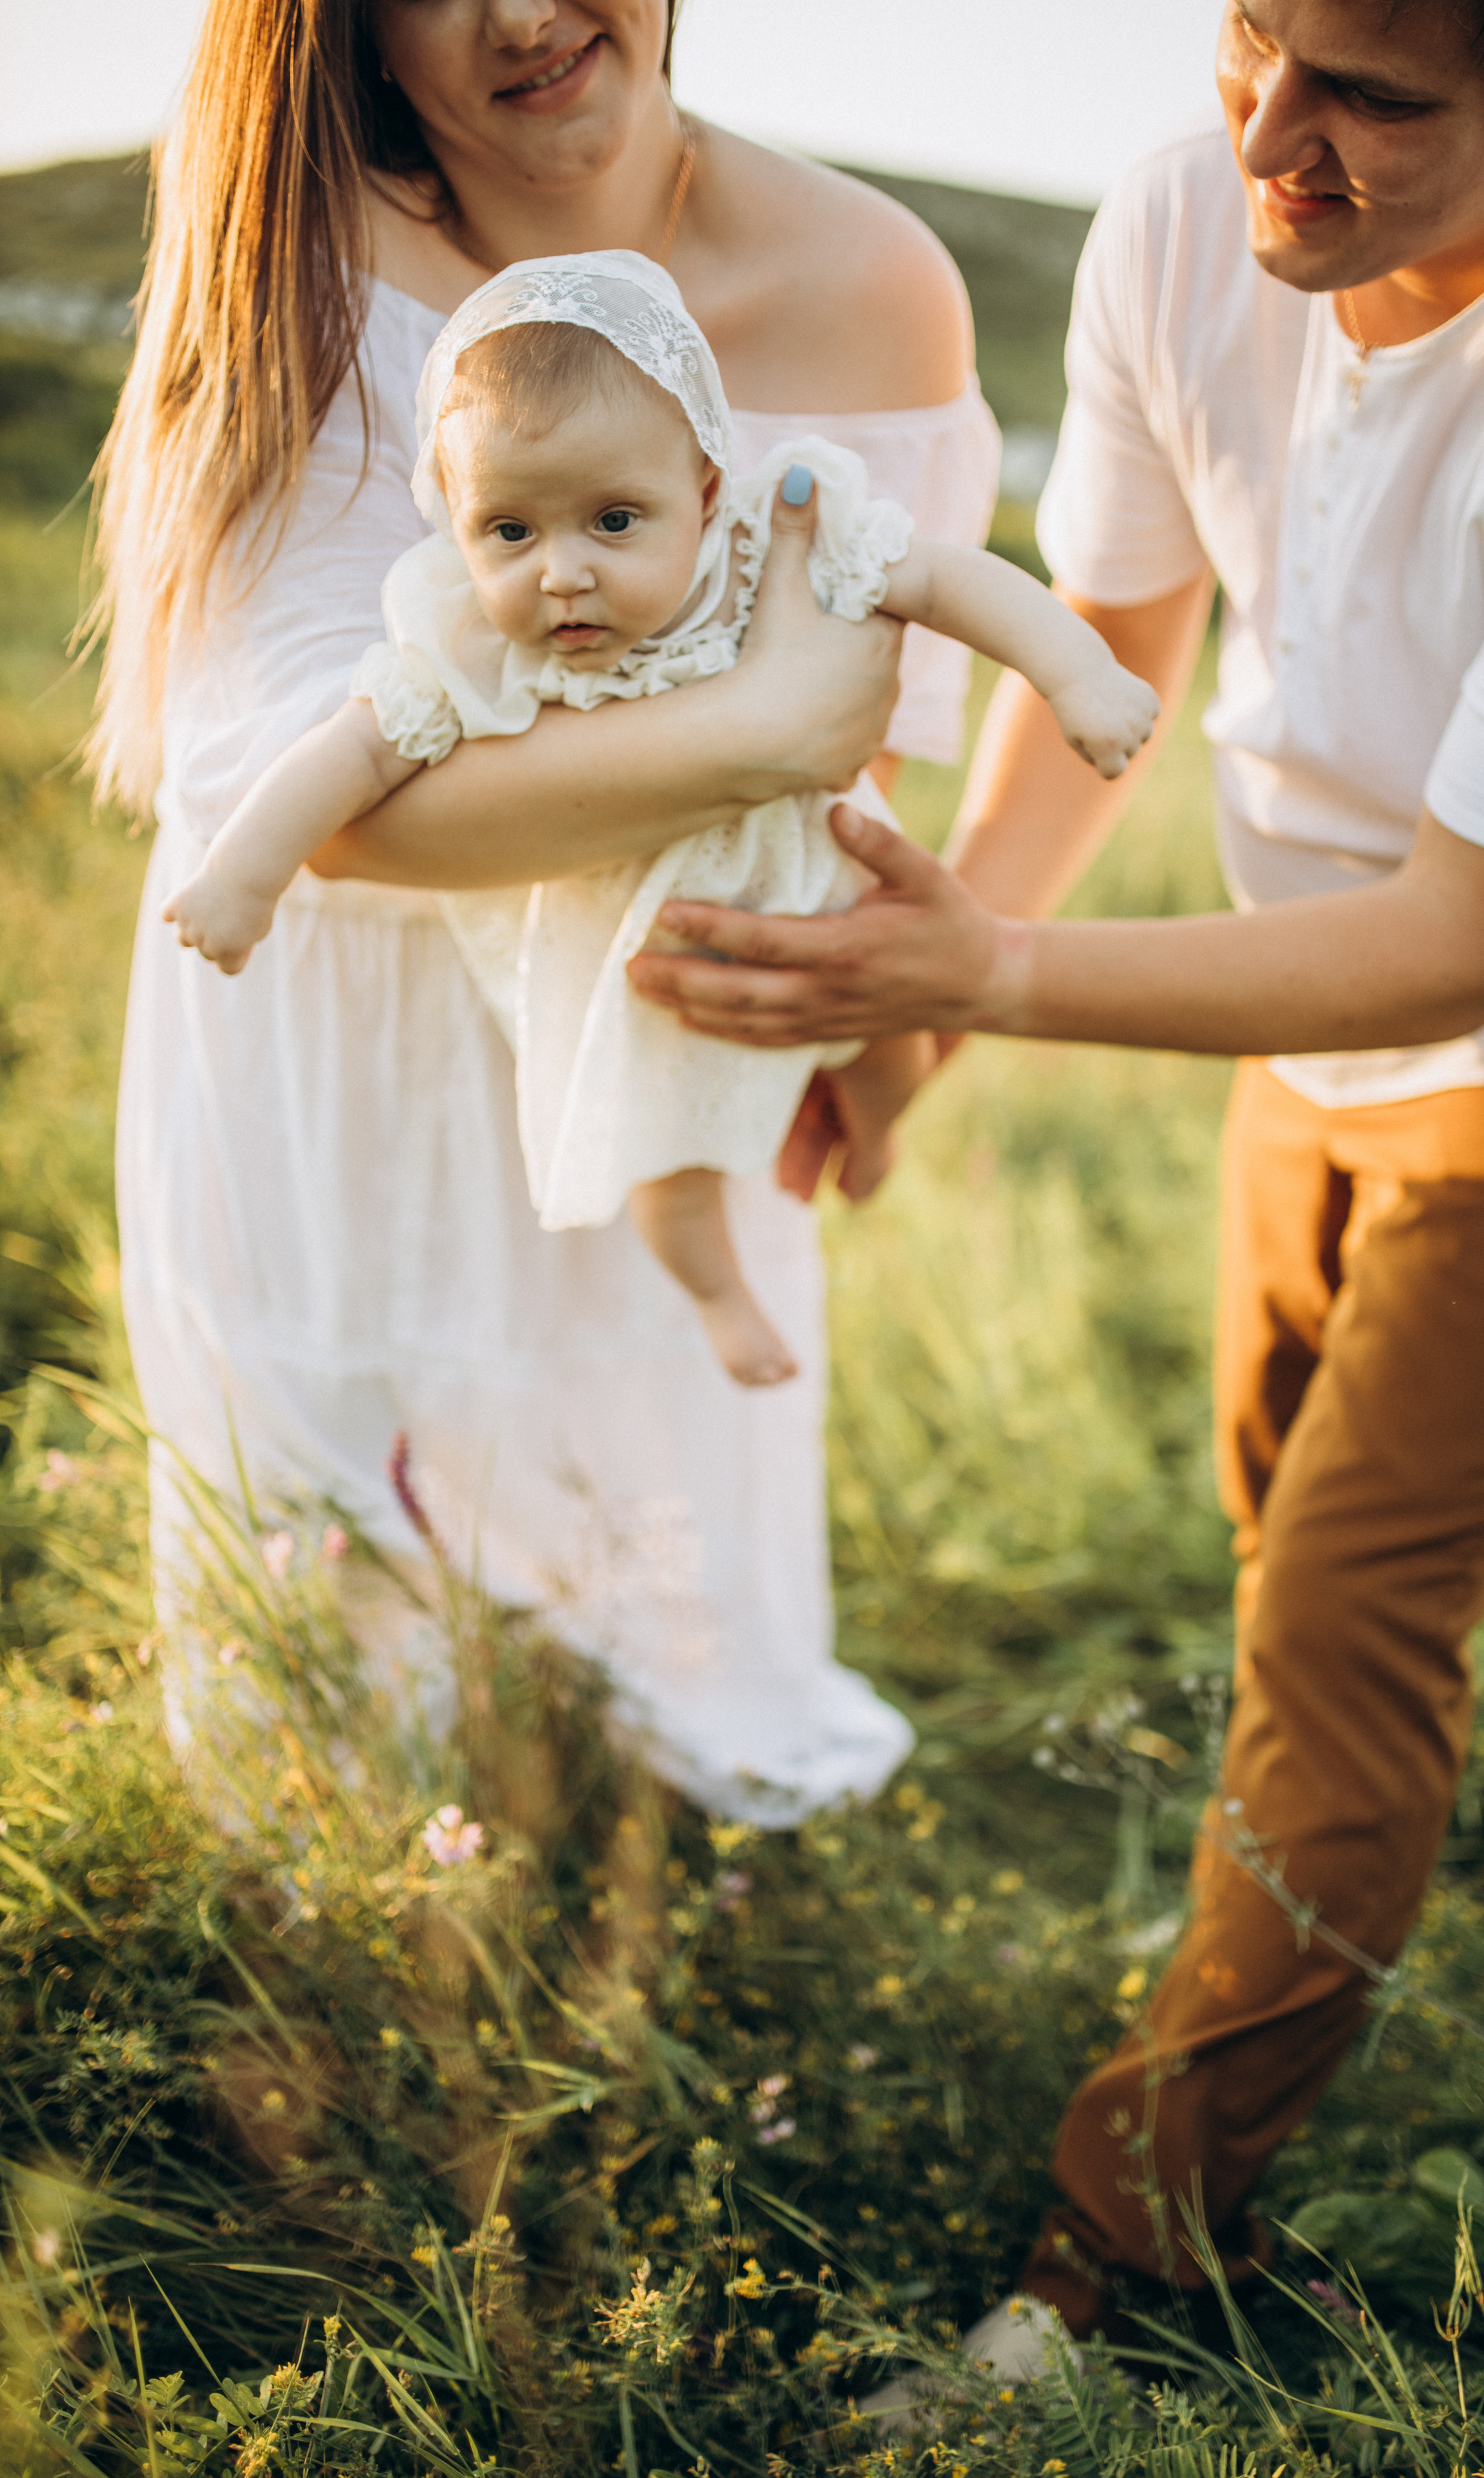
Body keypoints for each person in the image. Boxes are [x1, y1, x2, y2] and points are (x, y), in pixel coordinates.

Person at [626, 0, 1484, 2356]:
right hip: (1310, 957)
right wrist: (919, 1007)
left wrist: (977, 970)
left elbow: (1478, 939)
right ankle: (1287, 1961)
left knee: (1343, 1634)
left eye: (1371, 104)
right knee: (1273, 1513)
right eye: (1252, 46)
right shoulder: (1190, 209)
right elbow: (1110, 644)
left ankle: (1117, 2271)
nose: (1268, 147)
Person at [95, 0, 1001, 1825]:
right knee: (342, 1720)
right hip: (336, 1058)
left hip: (660, 1033)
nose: (519, 15)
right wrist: (759, 723)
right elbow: (306, 802)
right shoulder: (302, 235)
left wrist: (891, 1033)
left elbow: (864, 784)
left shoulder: (871, 287)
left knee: (664, 1620)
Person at [159, 252, 1156, 1389]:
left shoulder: (767, 547)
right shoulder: (469, 645)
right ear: (455, 525)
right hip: (653, 949)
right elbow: (354, 750)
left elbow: (948, 580)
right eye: (509, 532)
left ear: (707, 492)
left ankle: (872, 1132)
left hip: (830, 891)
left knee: (891, 1043)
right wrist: (246, 875)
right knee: (659, 1157)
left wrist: (1077, 675)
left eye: (614, 520)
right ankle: (720, 1297)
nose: (563, 574)